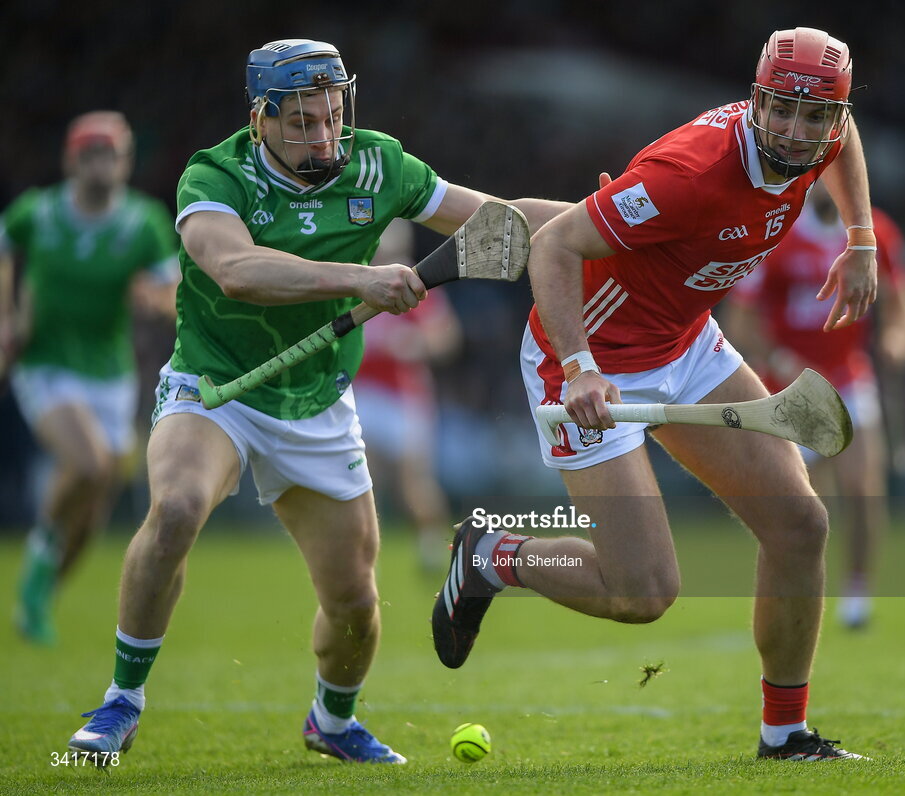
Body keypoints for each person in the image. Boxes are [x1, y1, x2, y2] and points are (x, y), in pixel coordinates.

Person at [65, 39, 570, 766]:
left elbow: (497, 221)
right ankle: (121, 701)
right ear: (260, 118)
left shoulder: (379, 163)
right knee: (174, 506)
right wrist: (357, 279)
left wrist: (612, 221)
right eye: (302, 121)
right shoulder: (216, 174)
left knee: (356, 605)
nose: (323, 136)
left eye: (332, 116)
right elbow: (235, 270)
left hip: (316, 402)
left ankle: (332, 722)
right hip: (217, 387)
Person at [434, 27, 875, 761]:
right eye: (783, 112)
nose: (798, 134)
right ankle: (491, 555)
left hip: (686, 341)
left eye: (816, 117)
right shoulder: (690, 173)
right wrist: (578, 366)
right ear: (757, 99)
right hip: (588, 357)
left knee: (800, 525)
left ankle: (785, 736)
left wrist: (860, 238)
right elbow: (555, 245)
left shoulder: (823, 131)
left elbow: (846, 135)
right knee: (641, 593)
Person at [0, 111, 179, 646]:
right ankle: (37, 561)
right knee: (91, 462)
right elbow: (6, 247)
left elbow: (174, 294)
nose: (101, 165)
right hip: (46, 364)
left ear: (125, 162)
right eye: (90, 154)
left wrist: (154, 299)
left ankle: (41, 593)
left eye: (111, 154)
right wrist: (7, 314)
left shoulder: (143, 222)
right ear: (71, 160)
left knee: (98, 491)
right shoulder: (40, 211)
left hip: (110, 373)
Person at [723, 182, 905, 628]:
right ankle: (796, 601)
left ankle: (857, 596)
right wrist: (776, 357)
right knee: (807, 506)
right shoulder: (778, 233)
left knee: (864, 485)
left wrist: (899, 339)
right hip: (791, 387)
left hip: (849, 376)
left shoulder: (874, 234)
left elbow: (903, 300)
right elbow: (739, 319)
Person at [358, 219, 462, 570]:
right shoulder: (355, 283)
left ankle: (432, 543)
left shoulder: (416, 287)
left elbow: (445, 338)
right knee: (359, 475)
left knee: (413, 481)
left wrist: (412, 344)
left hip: (402, 395)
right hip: (360, 392)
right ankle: (360, 548)